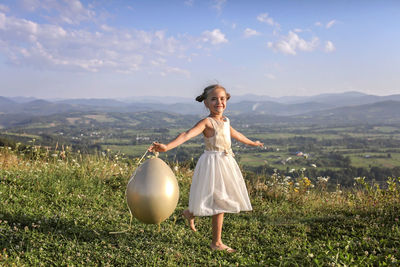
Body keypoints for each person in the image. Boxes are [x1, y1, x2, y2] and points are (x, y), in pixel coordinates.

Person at [149, 84, 264, 253]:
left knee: (215, 197)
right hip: (212, 163)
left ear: (227, 100)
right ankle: (216, 243)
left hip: (226, 163)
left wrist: (252, 142)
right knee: (219, 201)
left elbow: (236, 134)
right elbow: (186, 134)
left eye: (222, 98)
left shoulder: (225, 121)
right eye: (214, 99)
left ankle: (190, 213)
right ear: (206, 103)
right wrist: (167, 147)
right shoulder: (207, 122)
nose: (219, 102)